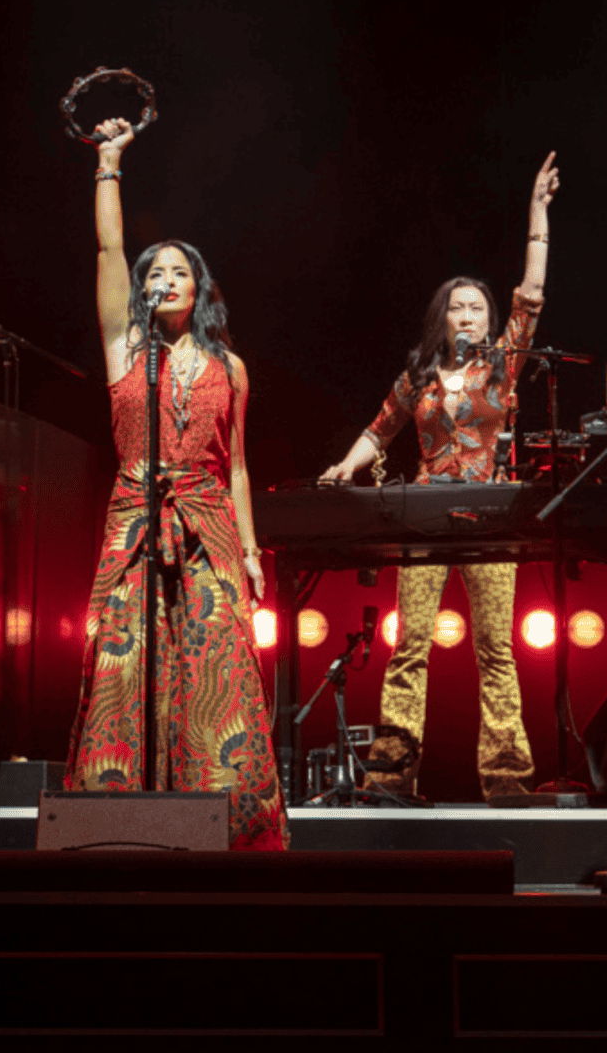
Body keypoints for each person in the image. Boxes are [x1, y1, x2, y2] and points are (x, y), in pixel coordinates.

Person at [64, 118, 288, 850]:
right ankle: (119, 815)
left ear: (201, 289)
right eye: (152, 274)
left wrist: (251, 553)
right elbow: (108, 248)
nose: (161, 281)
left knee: (215, 664)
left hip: (210, 522)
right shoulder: (124, 346)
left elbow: (240, 465)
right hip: (135, 518)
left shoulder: (233, 367)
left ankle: (225, 816)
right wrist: (109, 163)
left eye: (177, 273)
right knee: (126, 659)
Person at [320, 153, 561, 801]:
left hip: (487, 513)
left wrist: (536, 216)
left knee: (496, 649)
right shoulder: (419, 377)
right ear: (443, 318)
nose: (467, 317)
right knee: (410, 647)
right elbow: (380, 428)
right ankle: (393, 777)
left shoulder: (502, 368)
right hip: (425, 514)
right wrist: (346, 465)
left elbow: (531, 298)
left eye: (477, 309)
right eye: (458, 309)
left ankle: (507, 779)